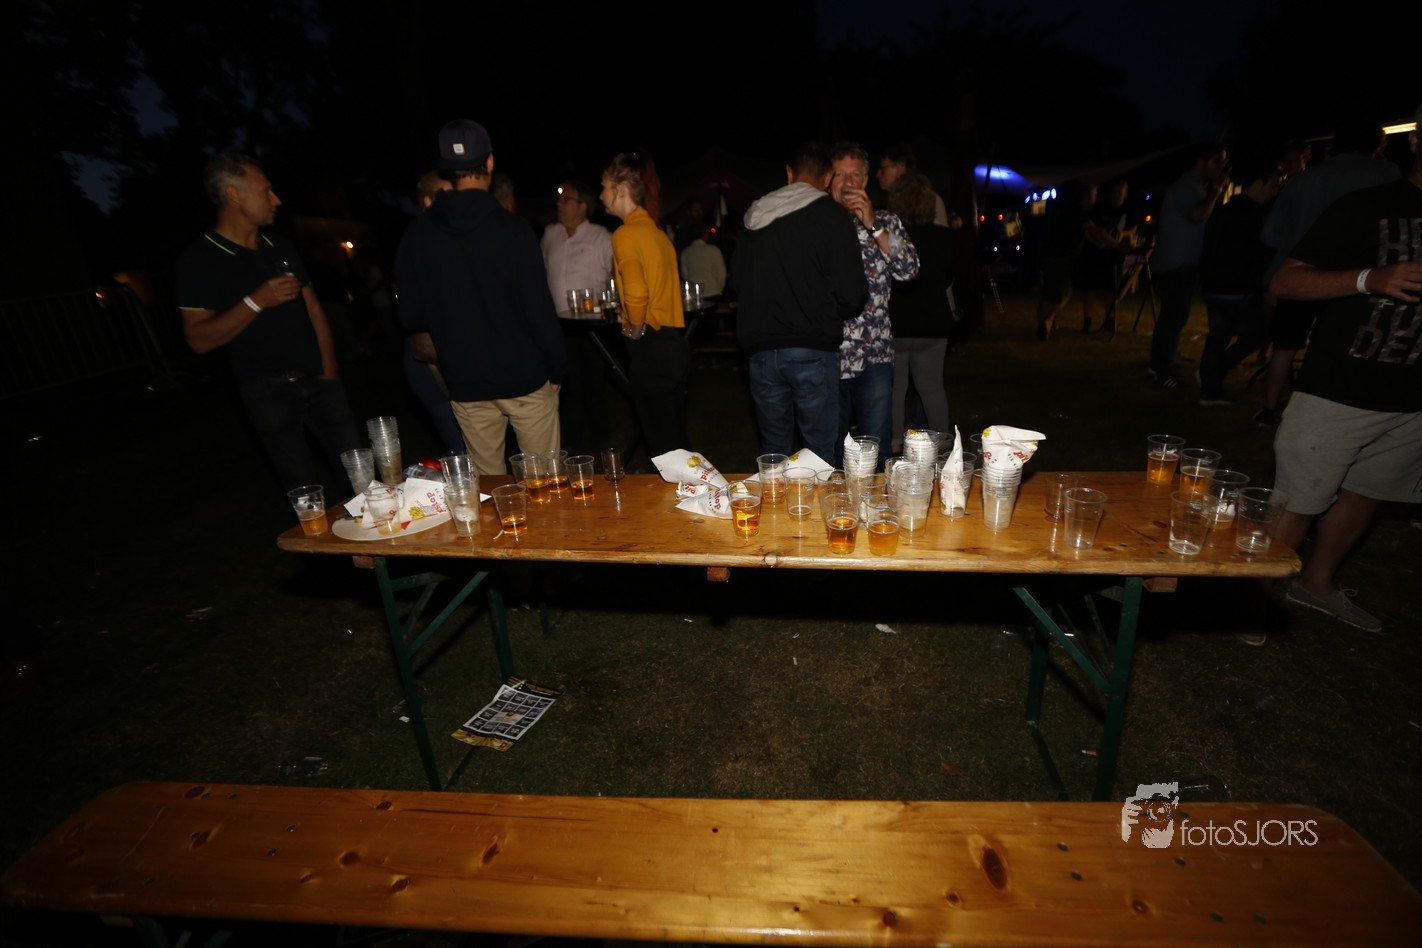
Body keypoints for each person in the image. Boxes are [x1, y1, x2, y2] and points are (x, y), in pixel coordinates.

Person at [1265, 108, 1422, 636]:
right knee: (1298, 501)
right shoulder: (1369, 207)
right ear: (1416, 140)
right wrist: (1369, 279)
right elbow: (1285, 282)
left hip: (1414, 399)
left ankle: (1317, 582)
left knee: (1368, 491)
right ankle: (1249, 599)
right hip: (1341, 388)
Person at [176, 152, 359, 495]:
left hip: (320, 381)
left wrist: (330, 372)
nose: (276, 200)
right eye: (266, 191)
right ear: (234, 194)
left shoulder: (281, 247)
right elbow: (198, 339)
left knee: (359, 480)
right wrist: (256, 300)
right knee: (305, 492)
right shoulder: (200, 260)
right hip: (267, 393)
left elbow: (313, 309)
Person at [394, 119, 564, 475]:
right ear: (489, 162)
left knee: (489, 489)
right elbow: (538, 310)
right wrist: (556, 367)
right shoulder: (513, 229)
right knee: (545, 484)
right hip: (524, 377)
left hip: (465, 379)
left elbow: (410, 314)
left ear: (447, 169)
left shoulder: (418, 233)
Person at [1256, 119, 1400, 426]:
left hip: (1302, 277)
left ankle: (1269, 409)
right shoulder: (1387, 175)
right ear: (1376, 145)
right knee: (1343, 345)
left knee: (1286, 344)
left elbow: (1270, 235)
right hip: (1358, 281)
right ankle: (1342, 412)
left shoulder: (1303, 180)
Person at [732, 141, 868, 462]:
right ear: (827, 177)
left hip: (761, 351)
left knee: (774, 451)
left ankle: (775, 496)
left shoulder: (754, 217)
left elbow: (736, 282)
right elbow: (852, 295)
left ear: (790, 173)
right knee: (818, 452)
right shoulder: (832, 216)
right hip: (812, 348)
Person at [829, 141, 920, 467]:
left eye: (855, 175)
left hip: (874, 357)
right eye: (840, 174)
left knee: (877, 451)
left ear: (866, 181)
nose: (848, 182)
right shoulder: (818, 224)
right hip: (828, 356)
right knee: (830, 453)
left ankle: (877, 500)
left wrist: (873, 225)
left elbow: (909, 269)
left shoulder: (886, 221)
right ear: (828, 179)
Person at [601, 150, 690, 459]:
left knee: (664, 450)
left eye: (604, 187)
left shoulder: (626, 234)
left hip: (651, 349)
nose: (601, 195)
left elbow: (637, 292)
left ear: (620, 189)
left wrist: (635, 328)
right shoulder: (657, 233)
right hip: (674, 346)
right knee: (676, 443)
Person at [1195, 160, 1284, 405]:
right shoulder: (1254, 216)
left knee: (1218, 337)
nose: (1274, 192)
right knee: (1256, 335)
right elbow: (1259, 253)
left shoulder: (1223, 210)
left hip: (1213, 287)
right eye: (1273, 186)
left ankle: (1209, 388)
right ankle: (1212, 376)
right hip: (1238, 290)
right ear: (1258, 184)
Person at [1147, 142, 1229, 388]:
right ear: (1202, 162)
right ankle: (1160, 371)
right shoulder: (1185, 186)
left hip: (1183, 262)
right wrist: (1217, 189)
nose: (1221, 167)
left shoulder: (1195, 187)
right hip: (1177, 262)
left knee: (1175, 317)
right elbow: (1196, 215)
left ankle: (1164, 361)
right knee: (1172, 318)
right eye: (1217, 161)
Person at [541, 179, 615, 454]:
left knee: (594, 387)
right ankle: (573, 447)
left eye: (567, 199)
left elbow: (616, 277)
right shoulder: (551, 235)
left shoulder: (600, 237)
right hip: (558, 329)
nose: (559, 204)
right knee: (565, 389)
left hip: (591, 329)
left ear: (583, 205)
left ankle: (601, 444)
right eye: (558, 199)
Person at [885, 172, 956, 445]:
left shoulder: (890, 238)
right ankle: (943, 443)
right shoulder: (943, 237)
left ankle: (894, 443)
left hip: (896, 324)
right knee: (932, 388)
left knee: (895, 390)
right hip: (933, 324)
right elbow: (948, 278)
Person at [398, 169, 466, 454]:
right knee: (461, 446)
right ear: (427, 201)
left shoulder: (452, 237)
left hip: (455, 356)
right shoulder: (418, 240)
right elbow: (412, 311)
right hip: (430, 359)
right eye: (446, 196)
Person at [1036, 180, 1118, 339]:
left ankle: (1043, 327)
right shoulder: (1078, 212)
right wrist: (1116, 244)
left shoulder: (1067, 210)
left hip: (1051, 255)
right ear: (1086, 196)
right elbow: (1094, 231)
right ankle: (1047, 322)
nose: (1096, 198)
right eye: (1094, 194)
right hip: (1061, 257)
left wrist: (1101, 244)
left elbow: (1087, 235)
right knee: (1065, 293)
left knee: (1049, 294)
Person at [875, 142, 948, 225]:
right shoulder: (890, 200)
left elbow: (937, 231)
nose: (877, 174)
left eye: (883, 169)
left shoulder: (929, 199)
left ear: (900, 168)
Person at [679, 224, 727, 300]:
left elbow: (685, 275)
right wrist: (718, 288)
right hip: (713, 291)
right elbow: (722, 274)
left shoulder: (685, 253)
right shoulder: (714, 250)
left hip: (694, 293)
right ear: (705, 234)